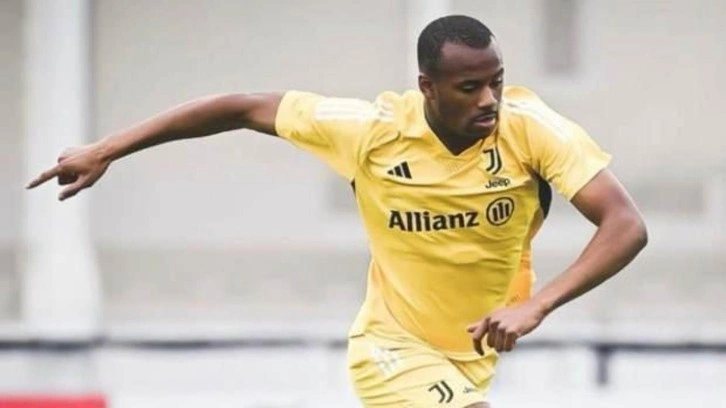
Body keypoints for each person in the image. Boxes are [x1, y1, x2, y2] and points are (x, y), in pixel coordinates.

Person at [27, 15, 647, 408]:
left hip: (474, 355)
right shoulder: (370, 132)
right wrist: (106, 149)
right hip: (392, 350)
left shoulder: (531, 129)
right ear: (427, 87)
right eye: (469, 87)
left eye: (498, 81)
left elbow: (625, 225)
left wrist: (538, 303)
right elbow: (241, 107)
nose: (490, 99)